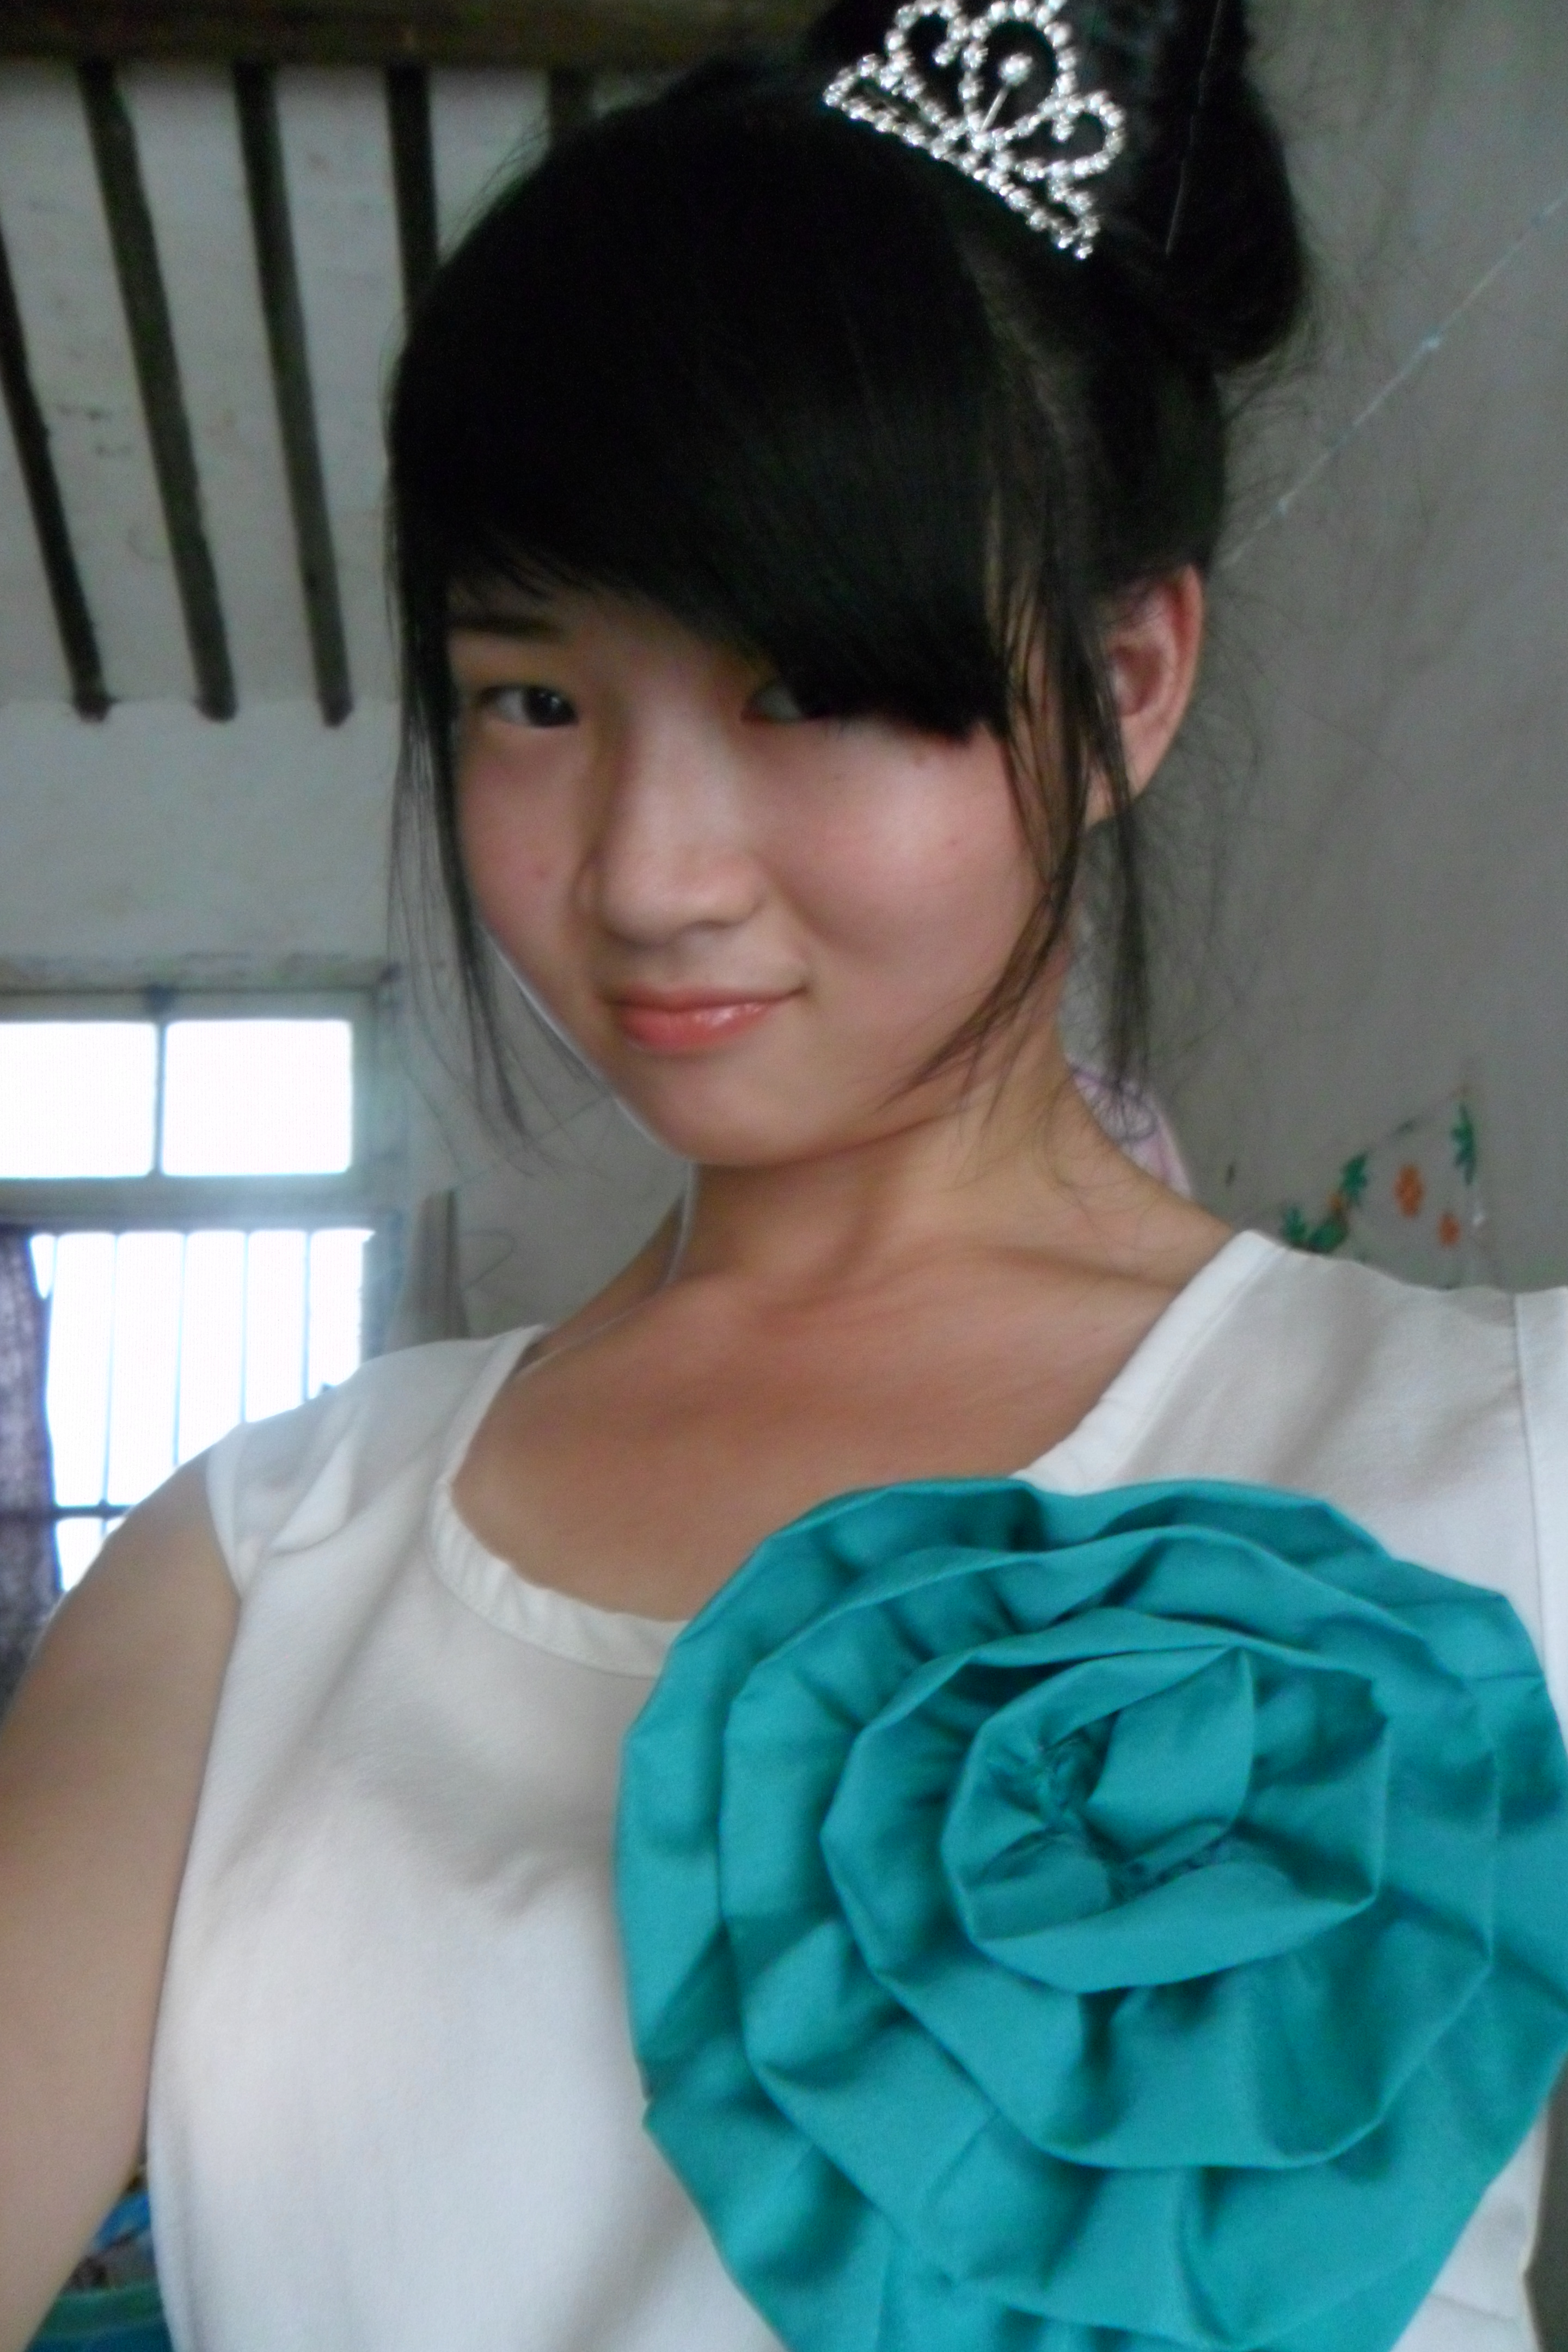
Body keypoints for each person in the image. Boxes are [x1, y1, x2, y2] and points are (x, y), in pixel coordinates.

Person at [2, 4, 1566, 2349]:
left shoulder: (1517, 1464)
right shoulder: (254, 1570)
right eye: (533, 699)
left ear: (1127, 685)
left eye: (805, 691)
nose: (648, 872)